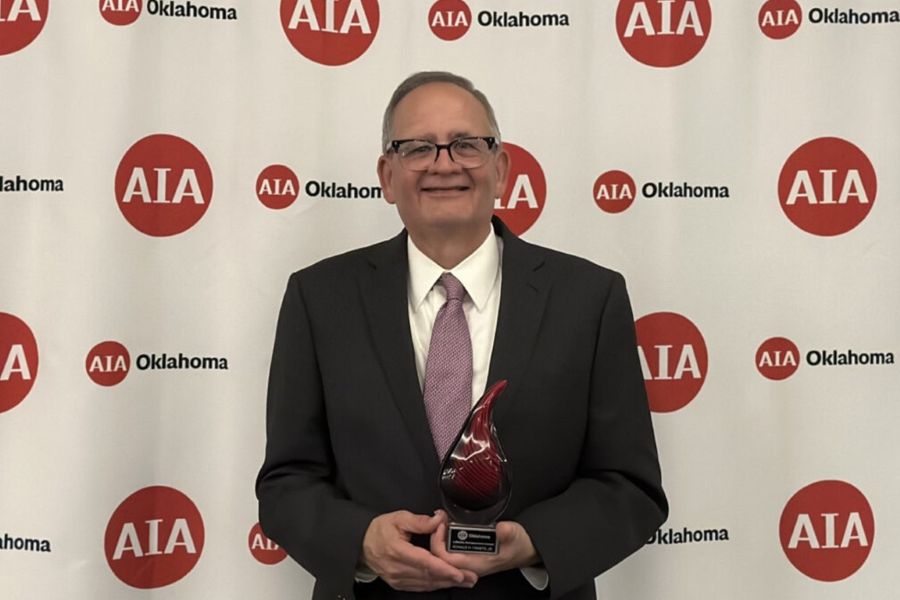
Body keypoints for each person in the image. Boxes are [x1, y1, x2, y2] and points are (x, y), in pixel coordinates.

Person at [256, 71, 667, 600]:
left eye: (467, 145)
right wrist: (362, 542)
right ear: (386, 173)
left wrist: (533, 542)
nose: (444, 164)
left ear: (501, 169)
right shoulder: (319, 298)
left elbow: (630, 486)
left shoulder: (590, 298)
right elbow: (286, 482)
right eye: (418, 148)